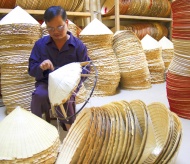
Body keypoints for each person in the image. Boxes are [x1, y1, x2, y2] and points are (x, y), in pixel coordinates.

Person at [28, 6, 90, 131]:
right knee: (39, 96)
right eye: (50, 28)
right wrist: (41, 66)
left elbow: (87, 69)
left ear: (66, 23)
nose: (55, 31)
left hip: (69, 85)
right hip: (46, 83)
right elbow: (31, 69)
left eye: (60, 27)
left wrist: (73, 82)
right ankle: (38, 129)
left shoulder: (78, 46)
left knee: (64, 98)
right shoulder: (40, 45)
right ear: (46, 26)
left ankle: (69, 129)